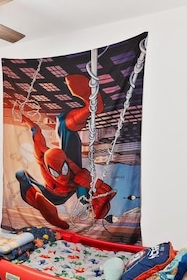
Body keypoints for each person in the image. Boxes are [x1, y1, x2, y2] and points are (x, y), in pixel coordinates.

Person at [16, 74, 115, 229]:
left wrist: (92, 189)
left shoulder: (70, 167)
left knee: (63, 125)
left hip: (73, 183)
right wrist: (28, 122)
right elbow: (37, 134)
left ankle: (90, 107)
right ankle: (45, 208)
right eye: (57, 172)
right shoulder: (42, 157)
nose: (62, 175)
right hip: (55, 196)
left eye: (63, 169)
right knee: (21, 174)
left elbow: (84, 179)